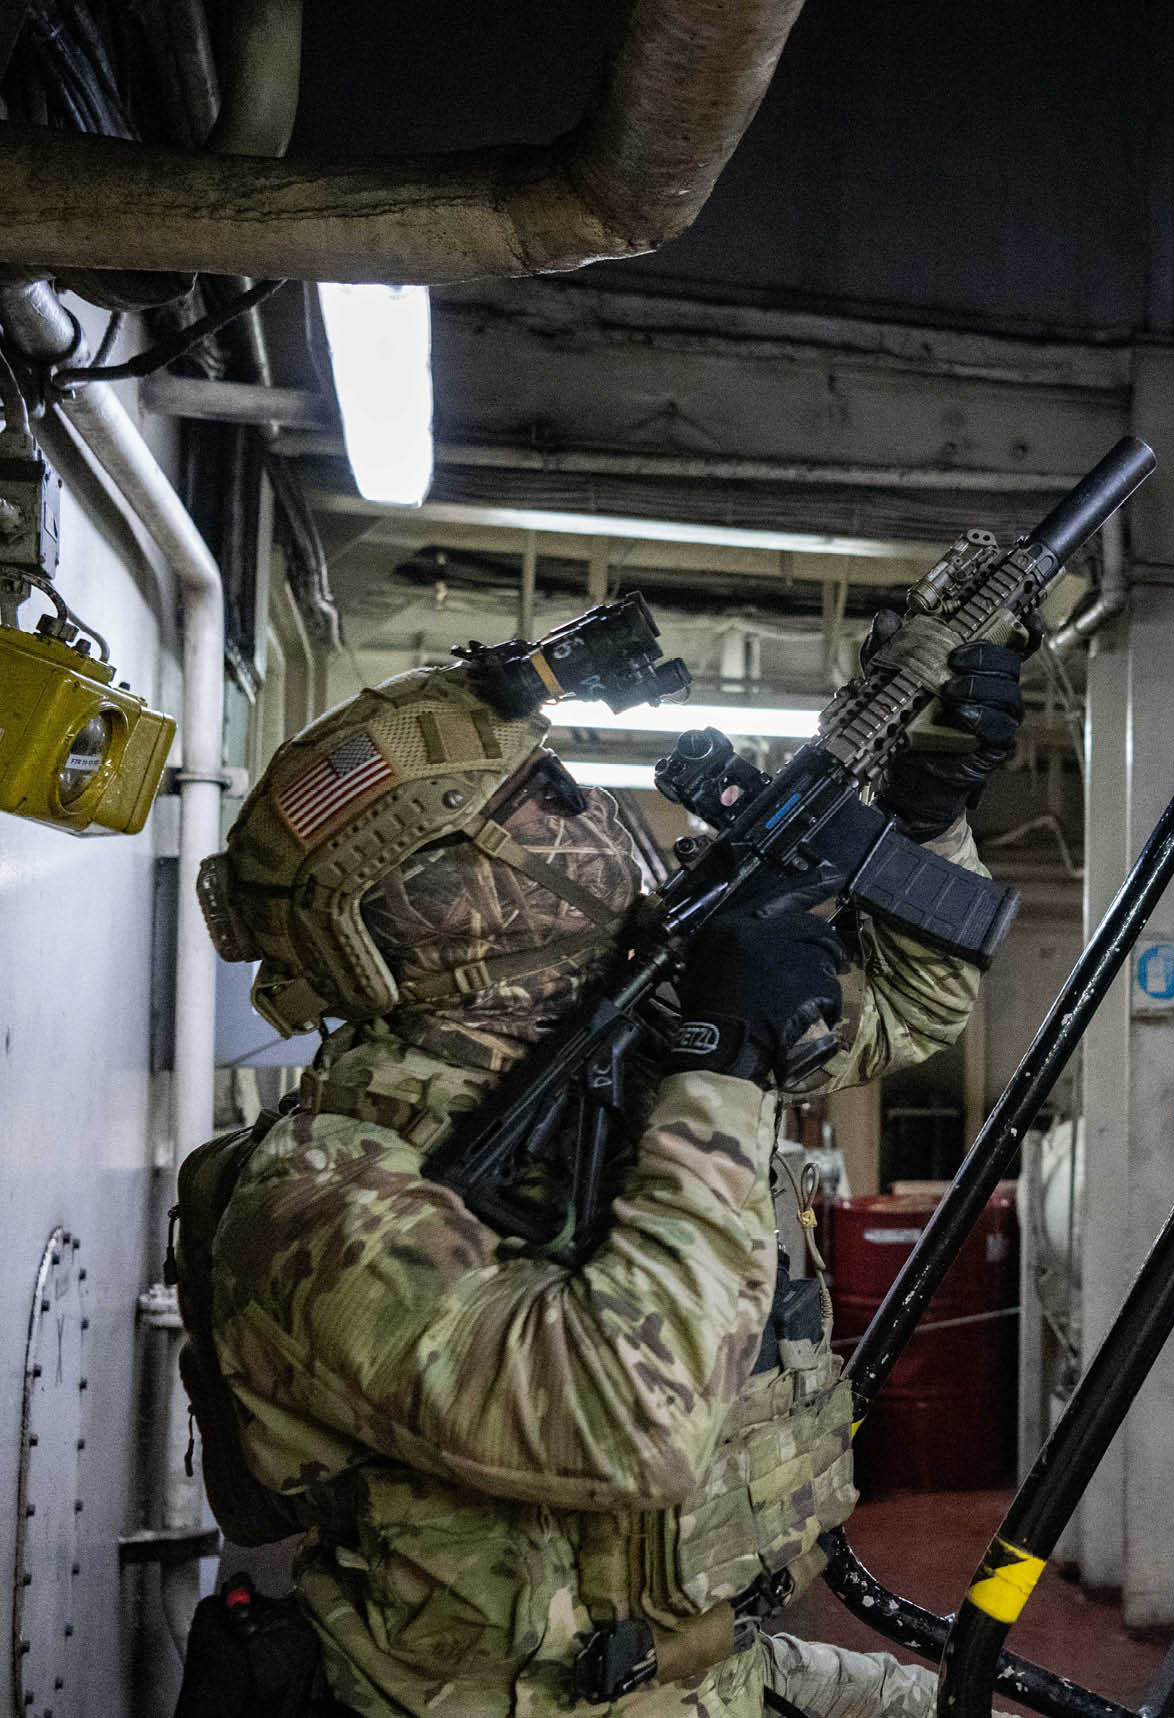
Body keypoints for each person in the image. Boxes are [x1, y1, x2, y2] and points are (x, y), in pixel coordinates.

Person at [191, 618, 1030, 1717]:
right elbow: (631, 1417)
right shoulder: (316, 1197)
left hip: (714, 1666)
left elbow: (903, 1007)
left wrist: (925, 814)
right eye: (541, 789)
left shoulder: (622, 1023)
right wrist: (722, 1063)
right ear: (438, 886)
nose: (588, 806)